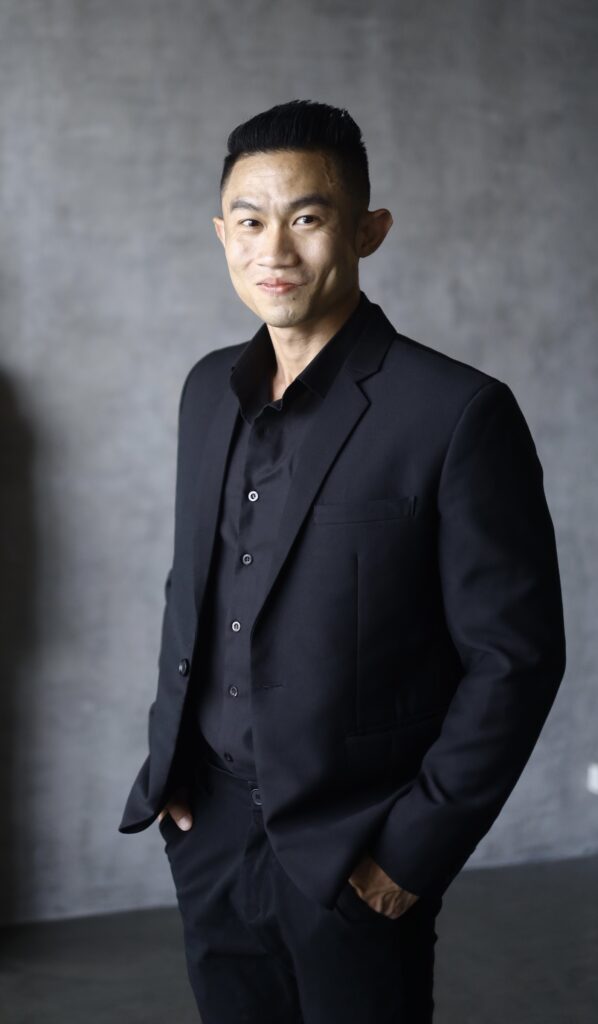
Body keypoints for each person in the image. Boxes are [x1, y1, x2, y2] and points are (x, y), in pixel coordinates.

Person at [118, 99, 566, 1023]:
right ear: (222, 235)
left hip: (357, 844)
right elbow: (192, 587)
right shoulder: (207, 390)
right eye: (250, 222)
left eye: (308, 217)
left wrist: (412, 851)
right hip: (209, 828)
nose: (274, 249)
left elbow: (515, 658)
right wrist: (171, 768)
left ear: (369, 230)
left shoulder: (456, 413)